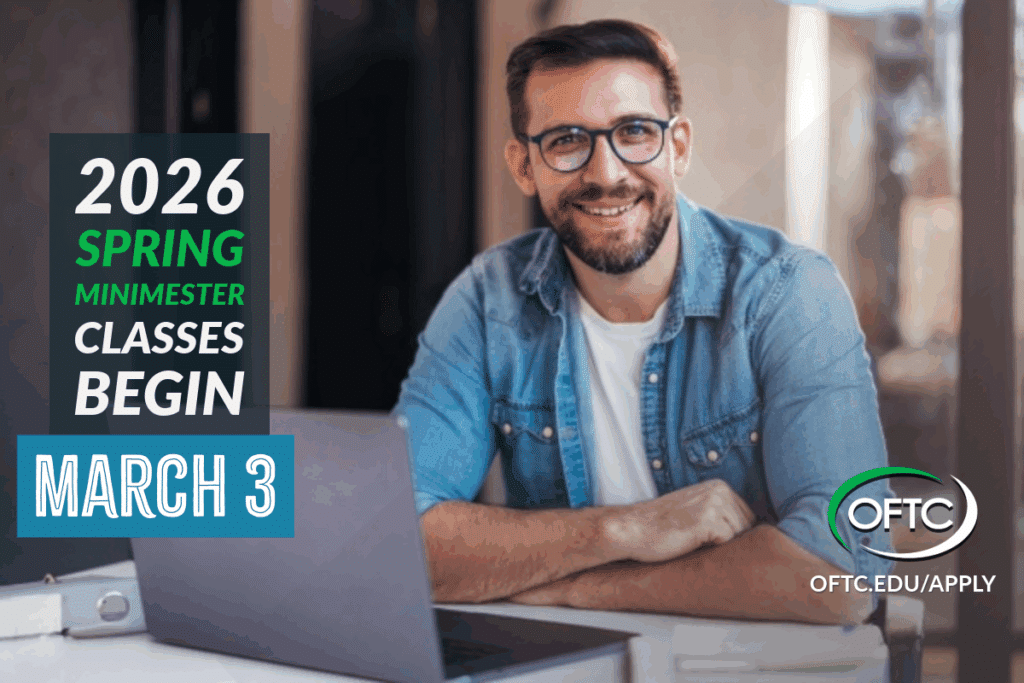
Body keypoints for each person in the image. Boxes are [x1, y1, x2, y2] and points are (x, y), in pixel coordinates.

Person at [394, 18, 892, 625]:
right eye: (567, 141)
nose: (606, 173)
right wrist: (626, 529)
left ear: (678, 145)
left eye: (634, 132)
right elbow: (399, 536)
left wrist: (569, 588)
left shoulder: (788, 294)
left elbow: (842, 573)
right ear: (524, 166)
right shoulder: (487, 302)